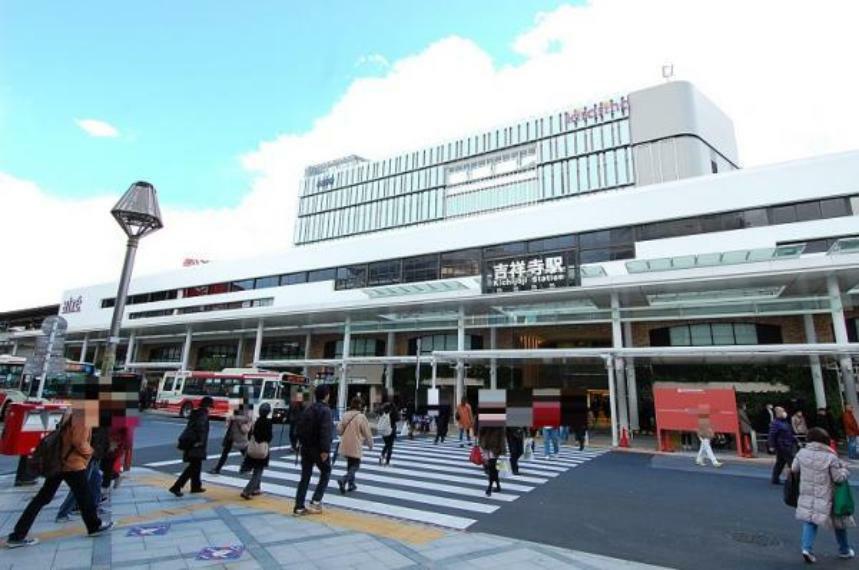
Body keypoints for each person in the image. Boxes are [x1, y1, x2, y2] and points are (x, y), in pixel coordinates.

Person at [6, 403, 114, 548]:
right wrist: (91, 453)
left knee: (47, 498)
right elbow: (79, 441)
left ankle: (18, 534)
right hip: (72, 464)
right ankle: (94, 526)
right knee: (83, 496)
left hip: (61, 462)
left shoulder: (74, 411)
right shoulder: (82, 415)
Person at [791, 427, 855, 563]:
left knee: (810, 520)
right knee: (839, 522)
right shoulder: (830, 457)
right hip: (828, 495)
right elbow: (838, 478)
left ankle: (806, 549)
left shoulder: (802, 453)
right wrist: (845, 470)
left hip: (807, 493)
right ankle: (844, 550)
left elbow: (794, 468)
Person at [293, 384, 333, 516]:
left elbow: (298, 427)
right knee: (326, 471)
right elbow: (325, 431)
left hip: (306, 447)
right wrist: (325, 450)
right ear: (326, 395)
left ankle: (299, 506)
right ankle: (316, 501)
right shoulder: (325, 411)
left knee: (305, 476)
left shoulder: (308, 409)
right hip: (318, 448)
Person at [56, 425, 109, 522]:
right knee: (80, 486)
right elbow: (82, 438)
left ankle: (94, 507)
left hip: (93, 452)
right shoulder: (86, 415)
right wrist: (91, 452)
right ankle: (63, 513)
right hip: (86, 454)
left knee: (95, 480)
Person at [169, 396, 213, 497]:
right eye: (210, 406)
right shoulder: (203, 414)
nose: (210, 408)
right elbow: (200, 427)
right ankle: (176, 487)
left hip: (191, 443)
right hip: (196, 444)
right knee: (193, 467)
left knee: (196, 466)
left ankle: (196, 486)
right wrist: (200, 441)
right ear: (207, 405)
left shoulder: (196, 412)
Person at [336, 397, 373, 494]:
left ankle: (351, 484)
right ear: (360, 405)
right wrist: (370, 444)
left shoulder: (345, 415)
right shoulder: (361, 417)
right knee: (356, 465)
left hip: (345, 444)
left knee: (350, 464)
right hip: (355, 444)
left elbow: (339, 430)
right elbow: (367, 432)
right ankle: (344, 479)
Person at [241, 403, 273, 500]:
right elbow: (269, 437)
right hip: (262, 448)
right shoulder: (268, 422)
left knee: (256, 468)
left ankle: (256, 488)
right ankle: (247, 491)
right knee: (258, 471)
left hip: (253, 447)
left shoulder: (257, 421)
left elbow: (251, 433)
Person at [210, 405, 252, 475]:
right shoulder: (236, 406)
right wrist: (229, 418)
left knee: (244, 451)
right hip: (231, 433)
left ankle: (249, 466)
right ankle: (217, 468)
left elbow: (248, 418)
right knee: (225, 452)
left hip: (239, 433)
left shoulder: (246, 407)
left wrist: (235, 418)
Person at [768, 406, 797, 485]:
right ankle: (794, 480)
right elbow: (772, 435)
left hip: (786, 444)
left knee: (780, 463)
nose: (784, 413)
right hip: (783, 446)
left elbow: (789, 433)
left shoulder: (784, 422)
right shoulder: (776, 423)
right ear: (778, 413)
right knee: (791, 462)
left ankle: (775, 479)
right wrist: (771, 445)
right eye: (782, 411)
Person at [479, 426, 506, 496]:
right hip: (486, 446)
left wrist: (503, 451)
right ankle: (498, 486)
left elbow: (502, 437)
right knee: (493, 468)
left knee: (492, 468)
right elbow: (480, 432)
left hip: (495, 448)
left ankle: (490, 487)